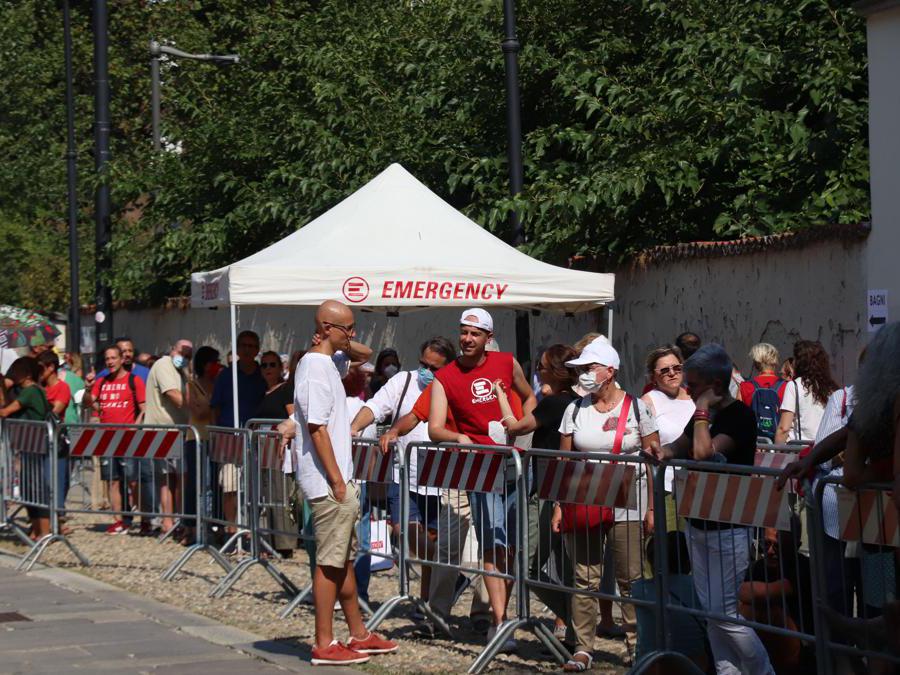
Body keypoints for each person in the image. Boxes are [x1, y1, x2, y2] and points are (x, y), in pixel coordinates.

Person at [291, 300, 396, 666]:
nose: (353, 335)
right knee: (330, 562)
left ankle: (359, 633)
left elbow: (364, 352)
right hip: (328, 481)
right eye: (346, 328)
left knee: (344, 560)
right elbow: (317, 429)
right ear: (325, 326)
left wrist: (342, 340)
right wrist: (337, 481)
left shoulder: (327, 361)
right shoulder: (315, 368)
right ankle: (324, 641)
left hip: (337, 478)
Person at [661, 344, 775, 675]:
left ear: (714, 385)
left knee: (725, 611)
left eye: (694, 384)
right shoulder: (704, 415)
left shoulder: (738, 416)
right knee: (712, 613)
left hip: (728, 524)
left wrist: (701, 409)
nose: (687, 389)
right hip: (698, 521)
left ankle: (763, 671)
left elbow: (701, 452)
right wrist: (660, 451)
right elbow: (680, 446)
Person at [427, 308, 537, 651]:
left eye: (475, 333)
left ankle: (506, 619)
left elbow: (531, 396)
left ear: (488, 338)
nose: (467, 339)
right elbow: (434, 427)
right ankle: (500, 624)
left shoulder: (506, 361)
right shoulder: (445, 376)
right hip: (479, 469)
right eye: (463, 332)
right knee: (493, 543)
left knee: (513, 546)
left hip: (515, 462)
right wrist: (457, 438)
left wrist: (523, 425)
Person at [552, 338, 659, 672]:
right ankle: (583, 647)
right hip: (584, 501)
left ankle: (638, 646)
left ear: (610, 371)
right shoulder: (574, 409)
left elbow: (651, 459)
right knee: (584, 577)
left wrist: (651, 507)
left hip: (629, 501)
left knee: (631, 577)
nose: (583, 374)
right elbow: (564, 459)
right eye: (581, 369)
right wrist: (559, 503)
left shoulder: (639, 408)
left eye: (589, 368)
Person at [351, 336, 456, 613]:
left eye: (434, 367)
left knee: (431, 537)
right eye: (423, 364)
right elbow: (376, 406)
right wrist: (354, 428)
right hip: (404, 472)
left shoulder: (451, 386)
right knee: (404, 530)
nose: (427, 371)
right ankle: (446, 573)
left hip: (440, 474)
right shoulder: (404, 381)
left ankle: (426, 604)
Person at [528, 344, 580, 642]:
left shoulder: (553, 404)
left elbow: (517, 425)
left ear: (556, 372)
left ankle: (573, 617)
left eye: (542, 366)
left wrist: (501, 395)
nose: (538, 370)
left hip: (549, 492)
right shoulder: (576, 402)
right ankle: (575, 629)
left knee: (527, 565)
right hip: (566, 491)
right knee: (568, 566)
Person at [82, 345, 147, 535]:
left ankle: (144, 519)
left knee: (133, 481)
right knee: (113, 481)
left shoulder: (134, 380)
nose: (110, 362)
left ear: (121, 359)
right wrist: (87, 388)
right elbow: (89, 402)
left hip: (128, 437)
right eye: (107, 359)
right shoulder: (101, 382)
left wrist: (136, 426)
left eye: (113, 358)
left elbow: (144, 407)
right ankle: (119, 520)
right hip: (107, 437)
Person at [738, 523, 814, 672]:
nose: (770, 551)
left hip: (800, 644)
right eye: (766, 544)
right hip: (761, 641)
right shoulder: (758, 567)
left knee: (763, 610)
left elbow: (767, 592)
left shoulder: (802, 567)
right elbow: (742, 592)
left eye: (777, 546)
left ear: (795, 546)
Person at [211, 330, 266, 530]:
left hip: (256, 440)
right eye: (243, 345)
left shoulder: (263, 375)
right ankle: (232, 529)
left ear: (257, 350)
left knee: (255, 488)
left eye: (251, 346)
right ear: (237, 348)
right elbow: (215, 407)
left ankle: (253, 529)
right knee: (230, 486)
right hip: (229, 439)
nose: (247, 349)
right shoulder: (226, 376)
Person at [641, 346, 695, 532]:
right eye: (664, 370)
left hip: (695, 485)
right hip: (665, 486)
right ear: (653, 376)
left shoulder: (694, 398)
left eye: (677, 368)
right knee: (669, 547)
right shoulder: (649, 401)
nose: (672, 373)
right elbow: (648, 455)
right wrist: (651, 507)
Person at [144, 339, 193, 536]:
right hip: (165, 431)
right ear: (173, 349)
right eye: (183, 352)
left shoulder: (181, 370)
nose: (185, 358)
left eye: (189, 355)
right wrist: (197, 409)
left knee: (177, 477)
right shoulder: (164, 365)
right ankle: (169, 521)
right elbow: (173, 394)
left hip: (177, 431)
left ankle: (175, 519)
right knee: (170, 478)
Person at [0, 357, 52, 539]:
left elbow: (5, 411)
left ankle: (44, 531)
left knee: (36, 488)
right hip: (27, 442)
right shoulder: (26, 390)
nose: (13, 376)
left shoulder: (30, 391)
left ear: (27, 374)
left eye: (17, 372)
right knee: (28, 488)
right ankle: (37, 530)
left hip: (34, 442)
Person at [254, 350, 297, 556]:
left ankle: (285, 543)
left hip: (281, 450)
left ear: (281, 368)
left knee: (281, 494)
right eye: (264, 365)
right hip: (264, 449)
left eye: (272, 365)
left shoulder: (286, 390)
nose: (268, 369)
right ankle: (269, 540)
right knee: (268, 495)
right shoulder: (263, 391)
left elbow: (293, 417)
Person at [186, 346, 222, 544]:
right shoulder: (192, 385)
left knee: (215, 484)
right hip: (197, 438)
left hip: (216, 438)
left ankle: (214, 525)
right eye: (212, 362)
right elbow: (198, 413)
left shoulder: (220, 383)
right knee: (198, 483)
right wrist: (213, 401)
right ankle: (194, 526)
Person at [775, 340, 839, 443]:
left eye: (795, 358)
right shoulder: (832, 388)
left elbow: (784, 428)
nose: (793, 362)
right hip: (824, 448)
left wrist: (776, 453)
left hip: (800, 450)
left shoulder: (794, 386)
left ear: (801, 362)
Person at [37, 351, 72, 519]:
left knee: (58, 478)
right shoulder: (39, 388)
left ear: (51, 368)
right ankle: (44, 515)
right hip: (38, 438)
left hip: (57, 438)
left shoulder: (62, 387)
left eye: (40, 369)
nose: (38, 373)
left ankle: (58, 515)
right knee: (42, 478)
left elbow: (55, 410)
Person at [739, 343, 788, 441]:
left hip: (753, 442)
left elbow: (738, 419)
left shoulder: (745, 386)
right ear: (774, 361)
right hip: (779, 442)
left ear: (756, 363)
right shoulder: (786, 386)